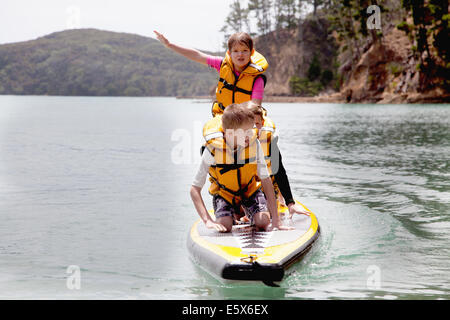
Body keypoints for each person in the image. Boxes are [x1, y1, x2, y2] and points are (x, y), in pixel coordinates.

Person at [190, 103, 292, 233]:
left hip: (250, 191)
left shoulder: (254, 144)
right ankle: (232, 216)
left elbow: (266, 182)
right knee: (225, 226)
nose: (250, 135)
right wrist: (207, 220)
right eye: (245, 132)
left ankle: (248, 215)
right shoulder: (212, 149)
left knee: (263, 222)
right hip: (225, 194)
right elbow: (194, 189)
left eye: (251, 130)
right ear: (229, 133)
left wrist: (276, 221)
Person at [153, 30, 267, 116]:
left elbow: (255, 105)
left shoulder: (257, 78)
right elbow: (197, 55)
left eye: (244, 51)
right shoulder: (223, 65)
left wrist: (237, 115)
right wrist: (169, 45)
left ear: (251, 52)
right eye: (236, 51)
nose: (240, 55)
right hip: (224, 117)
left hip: (246, 119)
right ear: (229, 53)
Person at [246, 102, 310, 218]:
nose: (255, 129)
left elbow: (279, 171)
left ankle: (279, 197)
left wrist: (290, 203)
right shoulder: (237, 141)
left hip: (267, 184)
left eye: (257, 124)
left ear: (262, 123)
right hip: (247, 188)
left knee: (267, 214)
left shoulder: (269, 140)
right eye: (251, 125)